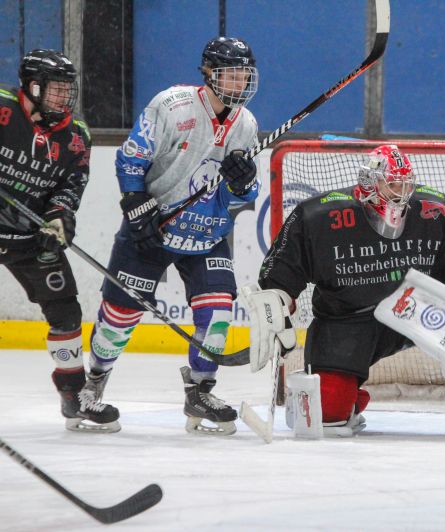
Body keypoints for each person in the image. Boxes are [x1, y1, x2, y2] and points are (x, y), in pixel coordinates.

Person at [254, 145, 445, 436]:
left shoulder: (433, 210)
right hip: (346, 322)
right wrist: (276, 306)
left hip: (416, 308)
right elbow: (281, 273)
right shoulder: (318, 217)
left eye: (404, 185)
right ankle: (347, 401)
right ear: (368, 182)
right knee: (327, 417)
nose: (400, 193)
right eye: (392, 185)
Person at [79, 37, 261, 435]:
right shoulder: (172, 105)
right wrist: (136, 204)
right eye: (231, 73)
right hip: (153, 228)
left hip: (207, 234)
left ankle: (200, 390)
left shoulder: (246, 124)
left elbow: (244, 195)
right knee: (118, 321)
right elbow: (131, 157)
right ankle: (92, 385)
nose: (240, 81)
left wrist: (242, 183)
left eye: (245, 73)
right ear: (209, 73)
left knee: (217, 314)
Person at [0, 49, 92, 430]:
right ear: (33, 86)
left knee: (66, 311)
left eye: (67, 90)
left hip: (30, 237)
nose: (64, 98)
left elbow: (70, 187)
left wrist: (60, 217)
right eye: (56, 90)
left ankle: (73, 392)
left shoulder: (75, 137)